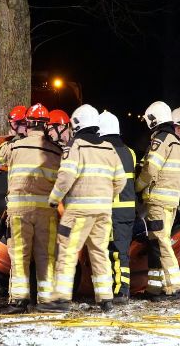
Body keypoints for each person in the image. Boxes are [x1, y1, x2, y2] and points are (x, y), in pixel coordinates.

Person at [38, 104, 126, 313]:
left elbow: (66, 176)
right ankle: (106, 298)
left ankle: (60, 298)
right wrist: (106, 197)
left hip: (78, 211)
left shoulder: (75, 146)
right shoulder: (108, 148)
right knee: (99, 251)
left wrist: (54, 199)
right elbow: (120, 181)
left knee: (67, 251)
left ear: (76, 124)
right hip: (103, 211)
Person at [0, 103, 63, 314]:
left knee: (19, 256)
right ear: (47, 126)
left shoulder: (16, 147)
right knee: (46, 256)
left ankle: (18, 301)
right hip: (47, 212)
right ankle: (46, 301)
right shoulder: (56, 151)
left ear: (27, 124)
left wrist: (0, 141)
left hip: (19, 211)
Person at [135, 101, 180, 301]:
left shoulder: (161, 141)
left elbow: (150, 170)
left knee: (162, 243)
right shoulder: (176, 143)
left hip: (158, 202)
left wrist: (137, 186)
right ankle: (157, 288)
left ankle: (175, 286)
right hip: (171, 201)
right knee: (158, 243)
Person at [98, 111, 136, 305]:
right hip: (128, 211)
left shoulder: (105, 152)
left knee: (113, 251)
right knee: (121, 251)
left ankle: (121, 291)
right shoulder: (130, 152)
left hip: (112, 208)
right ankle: (121, 288)